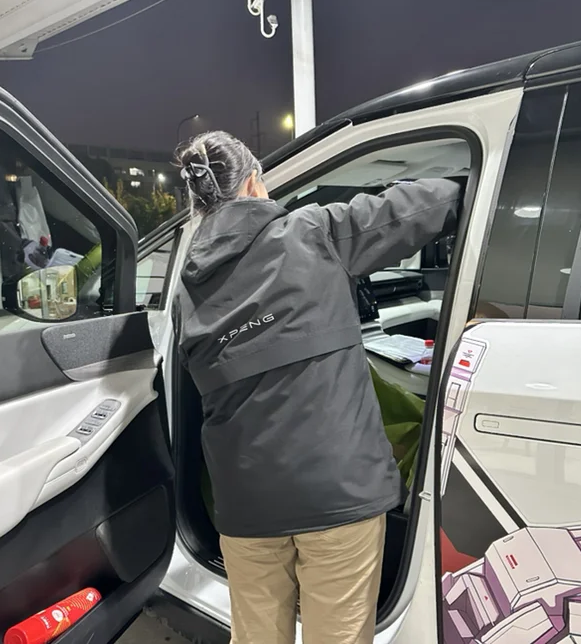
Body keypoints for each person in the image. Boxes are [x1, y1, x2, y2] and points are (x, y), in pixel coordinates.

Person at [171, 131, 461, 644]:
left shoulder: (185, 289)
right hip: (336, 494)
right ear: (254, 182)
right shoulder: (312, 231)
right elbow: (427, 204)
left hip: (244, 502)